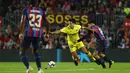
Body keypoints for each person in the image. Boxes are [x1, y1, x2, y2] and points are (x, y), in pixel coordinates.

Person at [19, 0, 51, 73]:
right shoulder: (41, 11)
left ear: (29, 2)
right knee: (35, 51)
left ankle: (28, 67)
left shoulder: (26, 10)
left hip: (28, 33)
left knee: (22, 51)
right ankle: (40, 69)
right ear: (37, 3)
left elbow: (23, 22)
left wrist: (21, 32)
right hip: (37, 34)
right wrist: (47, 33)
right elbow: (49, 22)